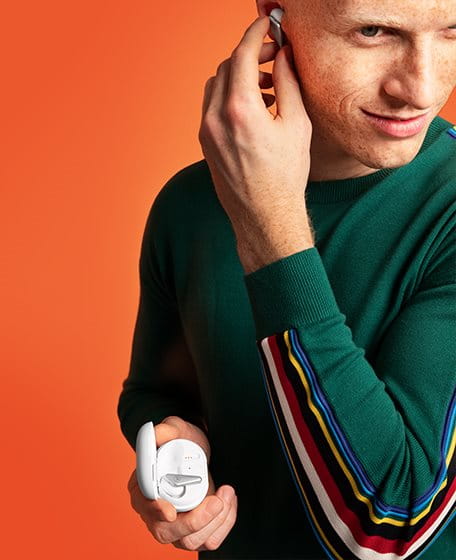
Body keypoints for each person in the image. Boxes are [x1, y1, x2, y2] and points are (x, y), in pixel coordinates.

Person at [117, 0, 456, 557]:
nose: (420, 88)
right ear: (276, 14)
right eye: (373, 30)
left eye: (452, 30)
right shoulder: (186, 205)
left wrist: (269, 229)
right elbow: (155, 392)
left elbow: (391, 526)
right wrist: (173, 444)